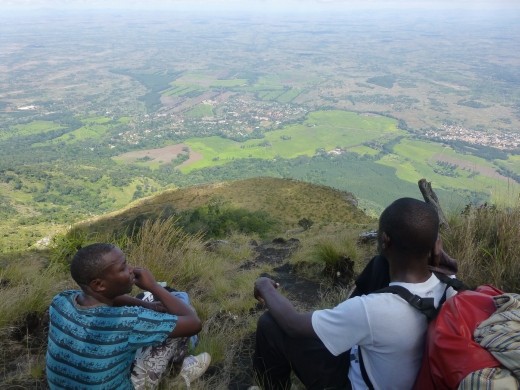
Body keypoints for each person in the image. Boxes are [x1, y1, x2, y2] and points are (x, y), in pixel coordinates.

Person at [252, 197, 457, 390]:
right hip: (407, 374)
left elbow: (292, 325)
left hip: (353, 380)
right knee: (380, 264)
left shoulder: (371, 310)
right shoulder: (452, 285)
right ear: (435, 244)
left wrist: (264, 286)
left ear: (385, 240)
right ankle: (340, 326)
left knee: (270, 325)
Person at [46, 243, 211, 389]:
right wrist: (154, 287)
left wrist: (149, 305)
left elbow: (107, 298)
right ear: (98, 284)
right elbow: (193, 323)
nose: (131, 270)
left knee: (160, 306)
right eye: (123, 268)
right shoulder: (128, 321)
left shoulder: (61, 301)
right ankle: (176, 377)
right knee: (177, 312)